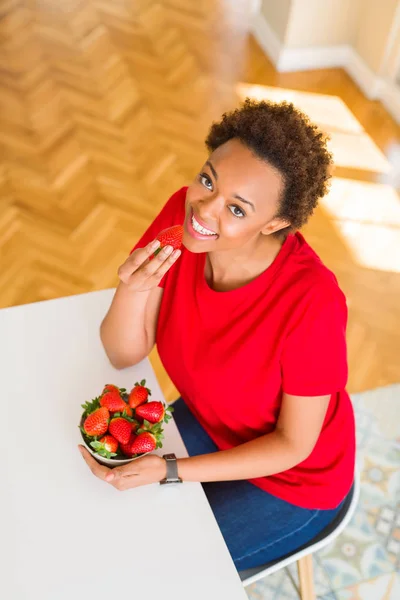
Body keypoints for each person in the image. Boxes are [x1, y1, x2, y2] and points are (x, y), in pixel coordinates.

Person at [79, 98, 356, 571]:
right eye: (208, 180)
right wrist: (131, 288)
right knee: (103, 512)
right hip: (212, 424)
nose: (204, 211)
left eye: (237, 209)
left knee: (156, 568)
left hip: (295, 481)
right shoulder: (183, 220)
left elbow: (293, 445)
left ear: (275, 223)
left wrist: (172, 472)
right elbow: (123, 353)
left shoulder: (313, 303)